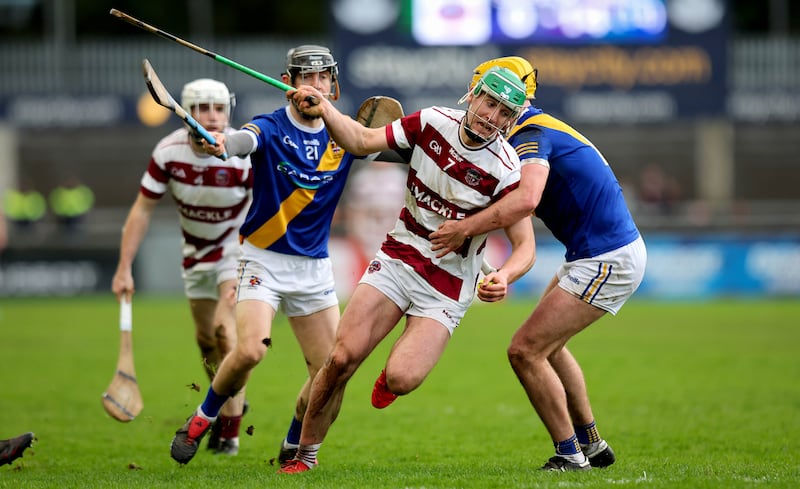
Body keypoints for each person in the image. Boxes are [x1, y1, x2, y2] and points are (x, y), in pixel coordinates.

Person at [277, 65, 537, 474]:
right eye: (489, 103)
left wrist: (504, 276)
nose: (493, 116)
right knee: (342, 358)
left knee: (403, 378)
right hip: (400, 257)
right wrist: (325, 109)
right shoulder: (432, 121)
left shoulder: (506, 167)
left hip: (448, 286)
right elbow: (361, 141)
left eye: (505, 113)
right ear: (473, 96)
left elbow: (526, 248)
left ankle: (390, 376)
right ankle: (304, 455)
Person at [430, 57, 647, 471]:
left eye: (500, 104)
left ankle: (570, 454)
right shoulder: (529, 130)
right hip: (597, 254)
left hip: (606, 257)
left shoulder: (530, 135)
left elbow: (526, 200)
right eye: (486, 101)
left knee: (525, 351)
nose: (489, 113)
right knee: (548, 347)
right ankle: (593, 445)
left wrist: (464, 229)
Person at [169, 45, 379, 466]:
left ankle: (292, 445)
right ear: (288, 85)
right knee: (251, 350)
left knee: (331, 377)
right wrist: (221, 143)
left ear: (332, 84)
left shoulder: (346, 136)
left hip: (314, 268)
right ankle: (202, 416)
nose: (316, 85)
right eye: (307, 77)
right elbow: (241, 141)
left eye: (323, 77)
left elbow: (395, 147)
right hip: (262, 259)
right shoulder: (269, 126)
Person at [112, 78, 251, 455]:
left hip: (237, 249)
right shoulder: (168, 152)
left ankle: (229, 431)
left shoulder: (243, 151)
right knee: (207, 343)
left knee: (226, 333)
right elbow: (142, 209)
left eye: (219, 108)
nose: (212, 116)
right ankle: (227, 398)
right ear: (186, 113)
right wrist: (124, 266)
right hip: (195, 254)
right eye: (203, 108)